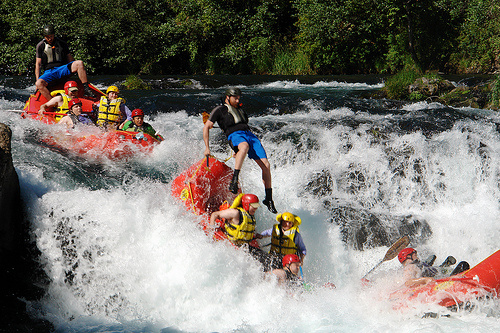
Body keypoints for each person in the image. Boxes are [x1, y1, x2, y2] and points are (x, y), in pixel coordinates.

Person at [203, 87, 277, 213]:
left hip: (250, 135)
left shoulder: (239, 109)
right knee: (244, 147)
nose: (237, 100)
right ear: (228, 97)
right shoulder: (219, 110)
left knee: (266, 165)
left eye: (238, 98)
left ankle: (268, 198)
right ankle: (234, 180)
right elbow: (206, 127)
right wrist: (207, 148)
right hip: (235, 135)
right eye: (235, 98)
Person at [35, 24, 93, 102]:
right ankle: (54, 103)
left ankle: (86, 89)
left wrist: (75, 72)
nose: (49, 38)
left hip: (62, 69)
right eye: (47, 37)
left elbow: (70, 59)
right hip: (49, 71)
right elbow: (38, 64)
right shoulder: (40, 46)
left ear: (54, 35)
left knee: (79, 63)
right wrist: (37, 79)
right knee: (38, 83)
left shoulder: (62, 43)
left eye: (51, 36)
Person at [398, 248, 470, 288]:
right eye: (415, 255)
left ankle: (437, 266)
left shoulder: (413, 266)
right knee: (463, 265)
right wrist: (425, 279)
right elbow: (407, 283)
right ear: (408, 256)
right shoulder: (409, 267)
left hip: (436, 282)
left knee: (428, 270)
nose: (417, 257)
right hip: (435, 286)